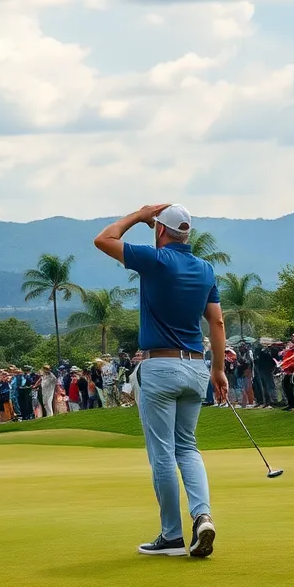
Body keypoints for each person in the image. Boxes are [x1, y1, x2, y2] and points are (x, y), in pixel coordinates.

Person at [94, 203, 225, 559]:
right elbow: (216, 322)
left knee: (163, 452)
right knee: (188, 447)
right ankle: (203, 516)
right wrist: (218, 370)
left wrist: (139, 215)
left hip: (160, 367)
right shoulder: (205, 269)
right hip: (196, 368)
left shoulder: (155, 260)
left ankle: (172, 536)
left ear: (161, 230)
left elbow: (103, 239)